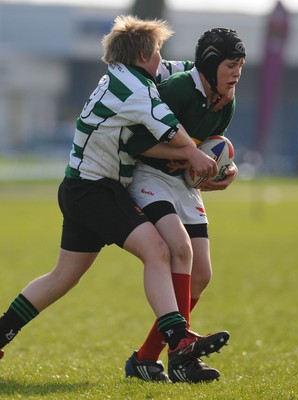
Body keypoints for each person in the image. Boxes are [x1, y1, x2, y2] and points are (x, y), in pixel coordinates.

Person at [0, 15, 231, 380]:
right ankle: (178, 339)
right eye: (158, 51)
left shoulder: (132, 74)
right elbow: (169, 127)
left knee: (62, 276)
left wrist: (214, 73)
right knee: (156, 249)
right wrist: (196, 155)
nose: (163, 58)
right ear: (143, 53)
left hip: (84, 187)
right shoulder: (133, 90)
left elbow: (186, 70)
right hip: (94, 190)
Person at [124, 28, 246, 383]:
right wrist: (185, 154)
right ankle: (183, 356)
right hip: (149, 178)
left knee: (202, 275)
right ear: (209, 65)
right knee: (179, 246)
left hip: (182, 186)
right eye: (230, 65)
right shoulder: (176, 90)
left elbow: (212, 148)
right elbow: (135, 144)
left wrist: (228, 170)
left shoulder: (228, 100)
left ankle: (145, 359)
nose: (237, 72)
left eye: (240, 65)